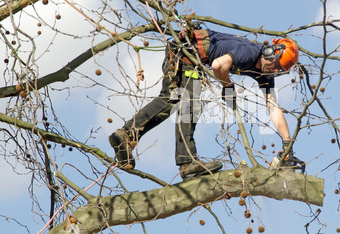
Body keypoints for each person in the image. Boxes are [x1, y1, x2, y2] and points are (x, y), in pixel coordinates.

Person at [108, 27, 299, 180]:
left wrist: (287, 142)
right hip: (188, 53)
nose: (272, 70)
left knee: (171, 99)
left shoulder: (265, 75)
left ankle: (125, 136)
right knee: (189, 105)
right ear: (270, 51)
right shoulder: (249, 52)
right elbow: (218, 66)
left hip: (189, 56)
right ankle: (187, 163)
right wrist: (228, 87)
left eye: (278, 70)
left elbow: (273, 106)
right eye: (274, 64)